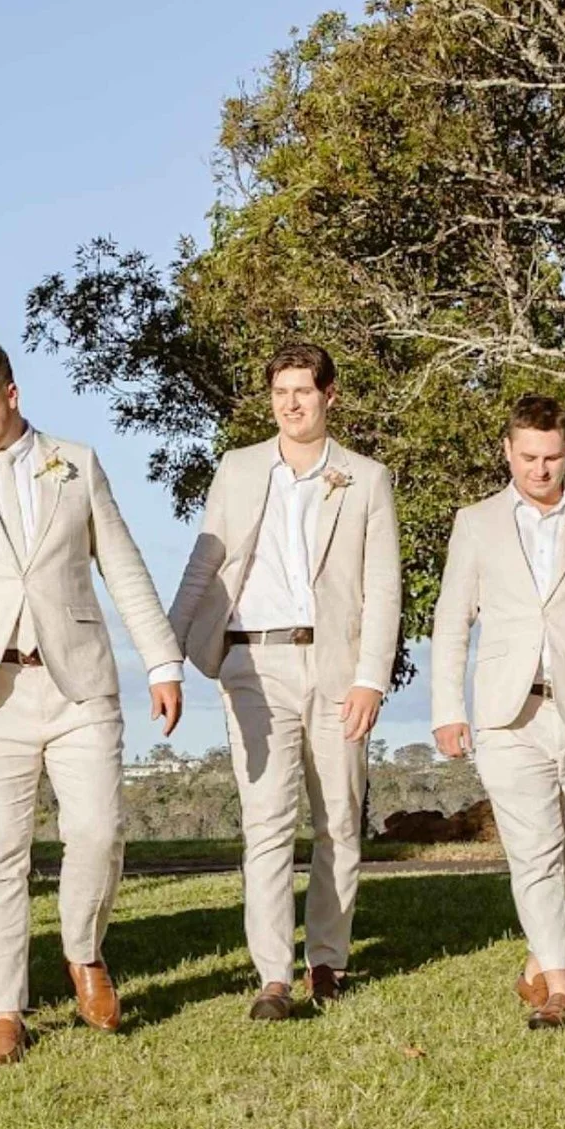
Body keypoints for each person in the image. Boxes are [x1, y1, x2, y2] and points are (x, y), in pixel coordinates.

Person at [0, 337, 185, 1067]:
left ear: (12, 395)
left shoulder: (75, 463)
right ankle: (4, 1012)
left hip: (79, 680)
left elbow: (122, 564)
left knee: (98, 830)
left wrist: (162, 659)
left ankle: (84, 951)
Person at [165, 344, 399, 1019]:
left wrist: (370, 679)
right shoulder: (238, 469)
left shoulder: (365, 477)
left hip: (334, 664)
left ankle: (327, 959)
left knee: (339, 821)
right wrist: (168, 652)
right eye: (280, 391)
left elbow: (382, 590)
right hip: (251, 662)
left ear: (330, 395)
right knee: (266, 823)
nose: (290, 403)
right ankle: (273, 974)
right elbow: (201, 565)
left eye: (303, 390)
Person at [428, 394, 565, 1029]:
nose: (540, 470)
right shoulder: (475, 522)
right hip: (506, 713)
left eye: (551, 458)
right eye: (528, 457)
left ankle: (539, 966)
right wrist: (448, 706)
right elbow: (451, 623)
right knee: (533, 851)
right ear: (507, 450)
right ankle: (561, 987)